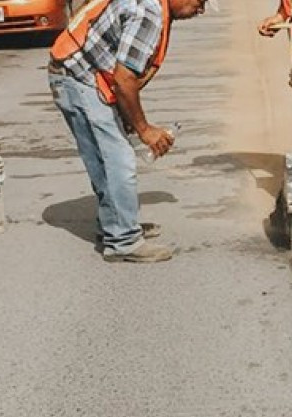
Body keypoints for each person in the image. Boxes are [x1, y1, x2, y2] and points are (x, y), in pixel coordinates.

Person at [47, 0, 208, 263]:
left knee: (103, 158)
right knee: (118, 159)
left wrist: (129, 116)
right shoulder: (149, 12)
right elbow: (124, 80)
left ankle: (117, 225)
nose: (199, 10)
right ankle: (123, 240)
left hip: (73, 73)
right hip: (78, 79)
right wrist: (144, 129)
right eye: (199, 2)